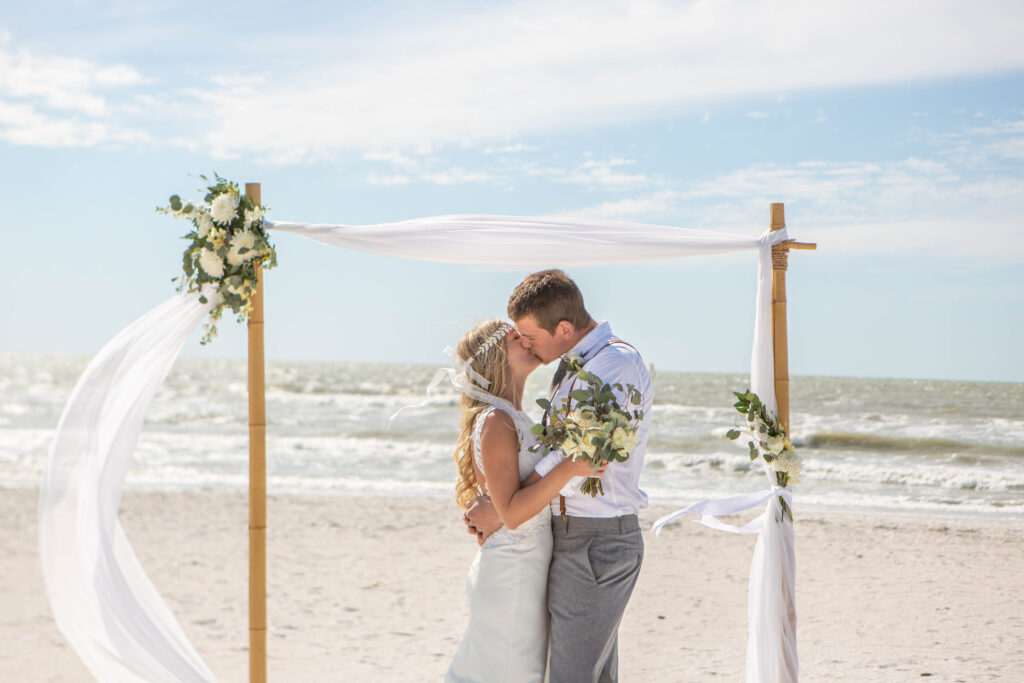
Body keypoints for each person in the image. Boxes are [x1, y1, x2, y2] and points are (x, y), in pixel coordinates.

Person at [464, 270, 653, 683]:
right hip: (568, 536)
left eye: (530, 336)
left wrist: (505, 508)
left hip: (596, 539)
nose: (527, 344)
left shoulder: (614, 364)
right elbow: (555, 452)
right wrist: (507, 504)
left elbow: (580, 451)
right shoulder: (572, 368)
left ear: (564, 328)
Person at [445, 318, 601, 683]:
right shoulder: (496, 420)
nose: (528, 341)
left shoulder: (516, 417)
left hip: (525, 570)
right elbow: (512, 514)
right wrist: (571, 468)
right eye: (517, 338)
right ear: (497, 357)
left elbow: (510, 501)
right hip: (511, 572)